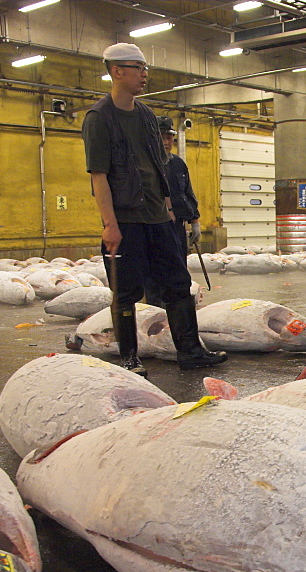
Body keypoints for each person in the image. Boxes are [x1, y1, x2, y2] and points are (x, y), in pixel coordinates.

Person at [82, 42, 226, 375]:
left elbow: (157, 165)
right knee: (126, 291)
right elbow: (99, 176)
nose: (145, 74)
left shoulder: (146, 115)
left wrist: (168, 206)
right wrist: (109, 224)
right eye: (138, 68)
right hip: (126, 220)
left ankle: (190, 351)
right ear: (117, 71)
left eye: (145, 68)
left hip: (159, 218)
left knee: (177, 284)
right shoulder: (99, 118)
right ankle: (129, 358)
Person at [144, 115, 202, 307]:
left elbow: (187, 192)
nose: (166, 142)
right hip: (153, 226)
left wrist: (195, 222)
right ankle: (155, 310)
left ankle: (177, 311)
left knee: (178, 270)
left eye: (169, 137)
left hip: (176, 226)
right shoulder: (145, 164)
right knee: (154, 272)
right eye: (161, 137)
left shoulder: (178, 164)